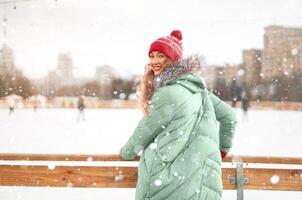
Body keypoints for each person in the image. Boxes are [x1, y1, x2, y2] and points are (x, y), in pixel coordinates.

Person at [120, 30, 237, 200]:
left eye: (161, 56)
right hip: (201, 182)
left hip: (171, 184)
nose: (154, 61)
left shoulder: (167, 93)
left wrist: (126, 153)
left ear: (173, 59)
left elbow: (144, 132)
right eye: (152, 56)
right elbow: (229, 117)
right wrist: (221, 152)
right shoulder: (199, 90)